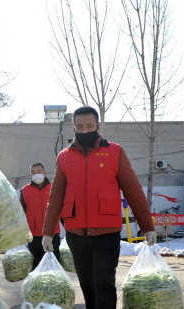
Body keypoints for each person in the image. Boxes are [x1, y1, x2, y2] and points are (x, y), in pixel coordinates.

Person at [41, 106, 156, 309]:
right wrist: (48, 232)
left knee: (103, 282)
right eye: (80, 126)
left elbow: (133, 191)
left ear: (98, 126)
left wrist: (147, 225)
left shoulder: (114, 152)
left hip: (106, 234)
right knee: (87, 286)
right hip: (77, 235)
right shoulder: (64, 157)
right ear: (74, 128)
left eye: (89, 126)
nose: (85, 130)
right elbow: (55, 197)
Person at [19, 163, 61, 269]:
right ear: (30, 175)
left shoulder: (54, 188)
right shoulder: (24, 191)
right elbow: (21, 214)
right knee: (36, 267)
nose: (36, 174)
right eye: (33, 172)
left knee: (54, 265)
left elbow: (62, 210)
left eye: (39, 171)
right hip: (34, 236)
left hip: (52, 234)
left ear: (44, 172)